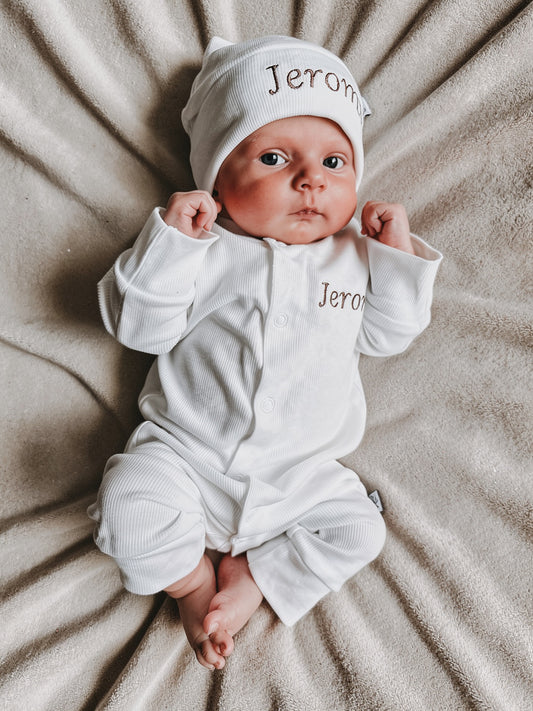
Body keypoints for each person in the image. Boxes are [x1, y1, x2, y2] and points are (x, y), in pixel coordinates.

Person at [88, 35, 442, 671]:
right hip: (188, 459)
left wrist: (397, 259)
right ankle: (191, 582)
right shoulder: (204, 249)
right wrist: (169, 245)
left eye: (334, 162)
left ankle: (254, 577)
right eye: (276, 158)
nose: (311, 180)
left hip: (300, 479)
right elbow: (138, 327)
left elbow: (388, 335)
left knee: (360, 528)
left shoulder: (353, 256)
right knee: (126, 502)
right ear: (216, 176)